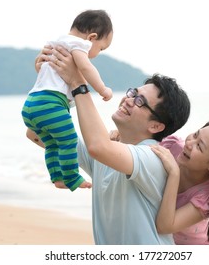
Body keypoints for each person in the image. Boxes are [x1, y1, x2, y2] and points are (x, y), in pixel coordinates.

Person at [29, 46, 191, 244]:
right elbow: (38, 133)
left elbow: (98, 146)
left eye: (140, 101)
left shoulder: (154, 158)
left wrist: (78, 82)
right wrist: (49, 83)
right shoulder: (109, 151)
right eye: (133, 93)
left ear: (156, 125)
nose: (129, 100)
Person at [22, 9, 113, 191]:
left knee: (53, 144)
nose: (97, 53)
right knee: (69, 140)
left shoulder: (55, 42)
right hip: (51, 104)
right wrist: (102, 88)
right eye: (101, 48)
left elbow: (41, 66)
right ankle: (71, 178)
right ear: (91, 38)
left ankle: (57, 177)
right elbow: (86, 68)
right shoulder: (78, 44)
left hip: (31, 104)